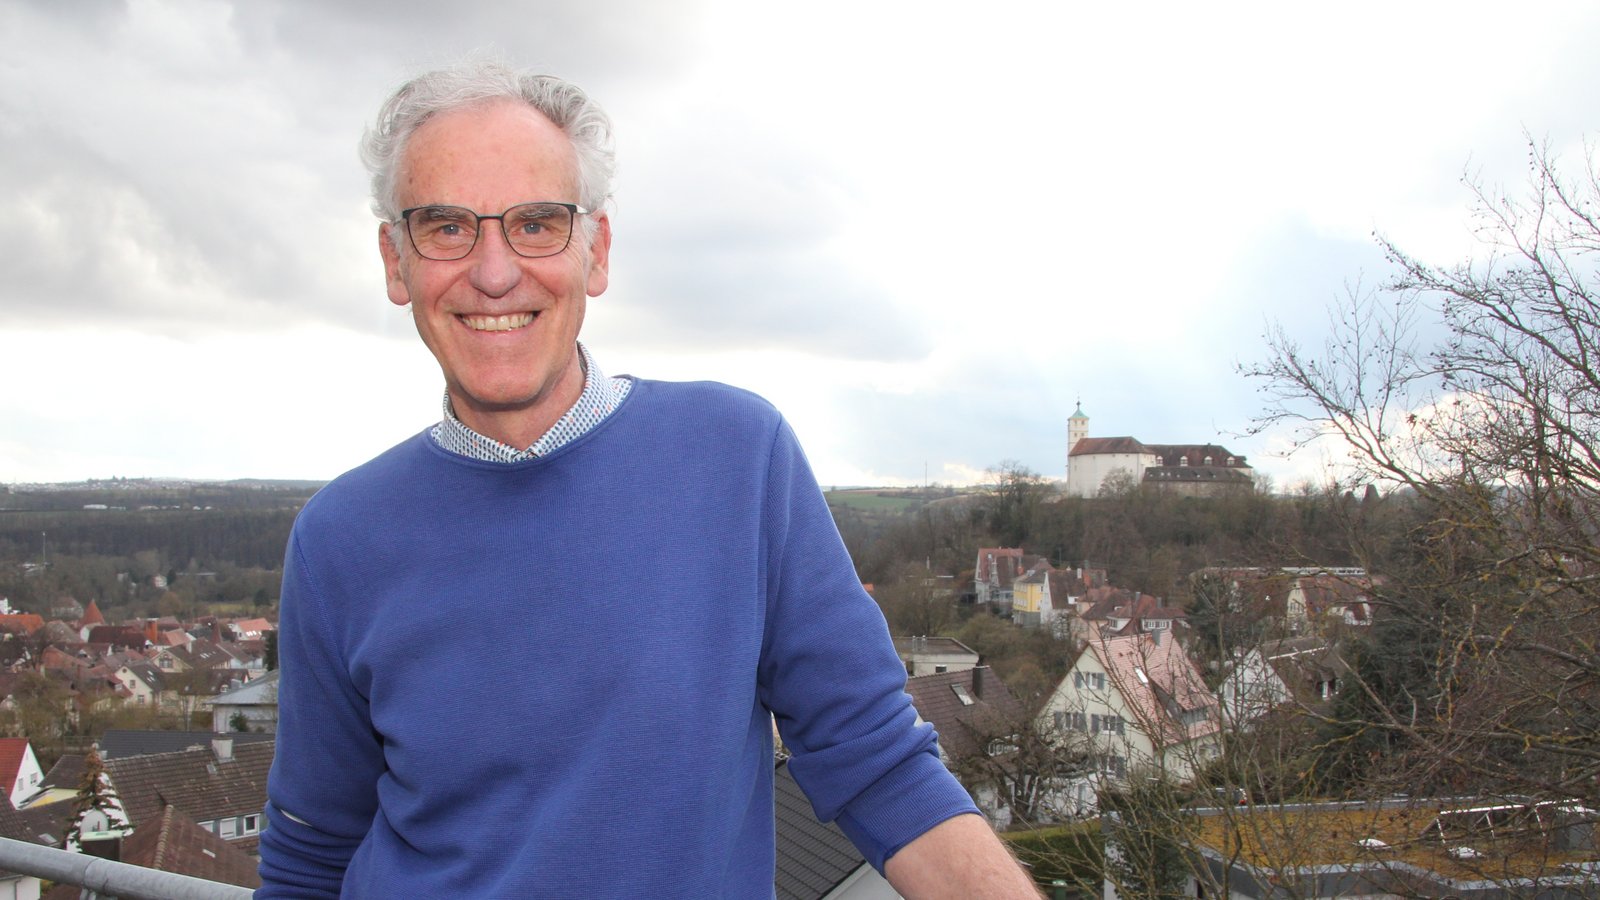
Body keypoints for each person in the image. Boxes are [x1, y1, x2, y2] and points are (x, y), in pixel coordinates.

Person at [256, 61, 1041, 899]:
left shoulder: (736, 459)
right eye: (446, 226)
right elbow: (312, 856)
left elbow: (878, 764)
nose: (493, 271)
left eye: (537, 223)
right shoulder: (339, 539)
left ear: (595, 251)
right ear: (395, 262)